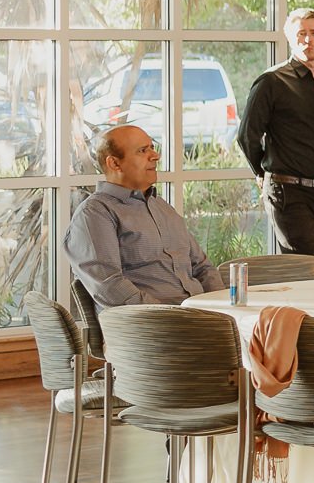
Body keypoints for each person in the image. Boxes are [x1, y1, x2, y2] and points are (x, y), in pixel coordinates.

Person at [64, 127, 223, 332]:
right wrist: (170, 317)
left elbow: (202, 267)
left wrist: (220, 308)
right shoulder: (95, 214)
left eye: (152, 148)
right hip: (148, 332)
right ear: (114, 163)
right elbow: (111, 287)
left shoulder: (162, 208)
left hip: (198, 320)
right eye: (142, 150)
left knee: (269, 333)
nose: (155, 156)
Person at [241, 8, 314, 254]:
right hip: (287, 191)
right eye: (301, 34)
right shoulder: (271, 82)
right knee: (305, 264)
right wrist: (262, 172)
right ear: (290, 38)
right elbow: (247, 135)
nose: (308, 39)